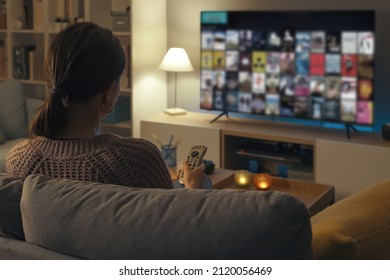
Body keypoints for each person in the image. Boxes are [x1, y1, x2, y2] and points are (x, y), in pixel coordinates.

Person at [6, 22, 207, 189]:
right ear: (111, 89)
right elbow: (173, 228)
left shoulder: (20, 160)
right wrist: (195, 191)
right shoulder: (138, 159)